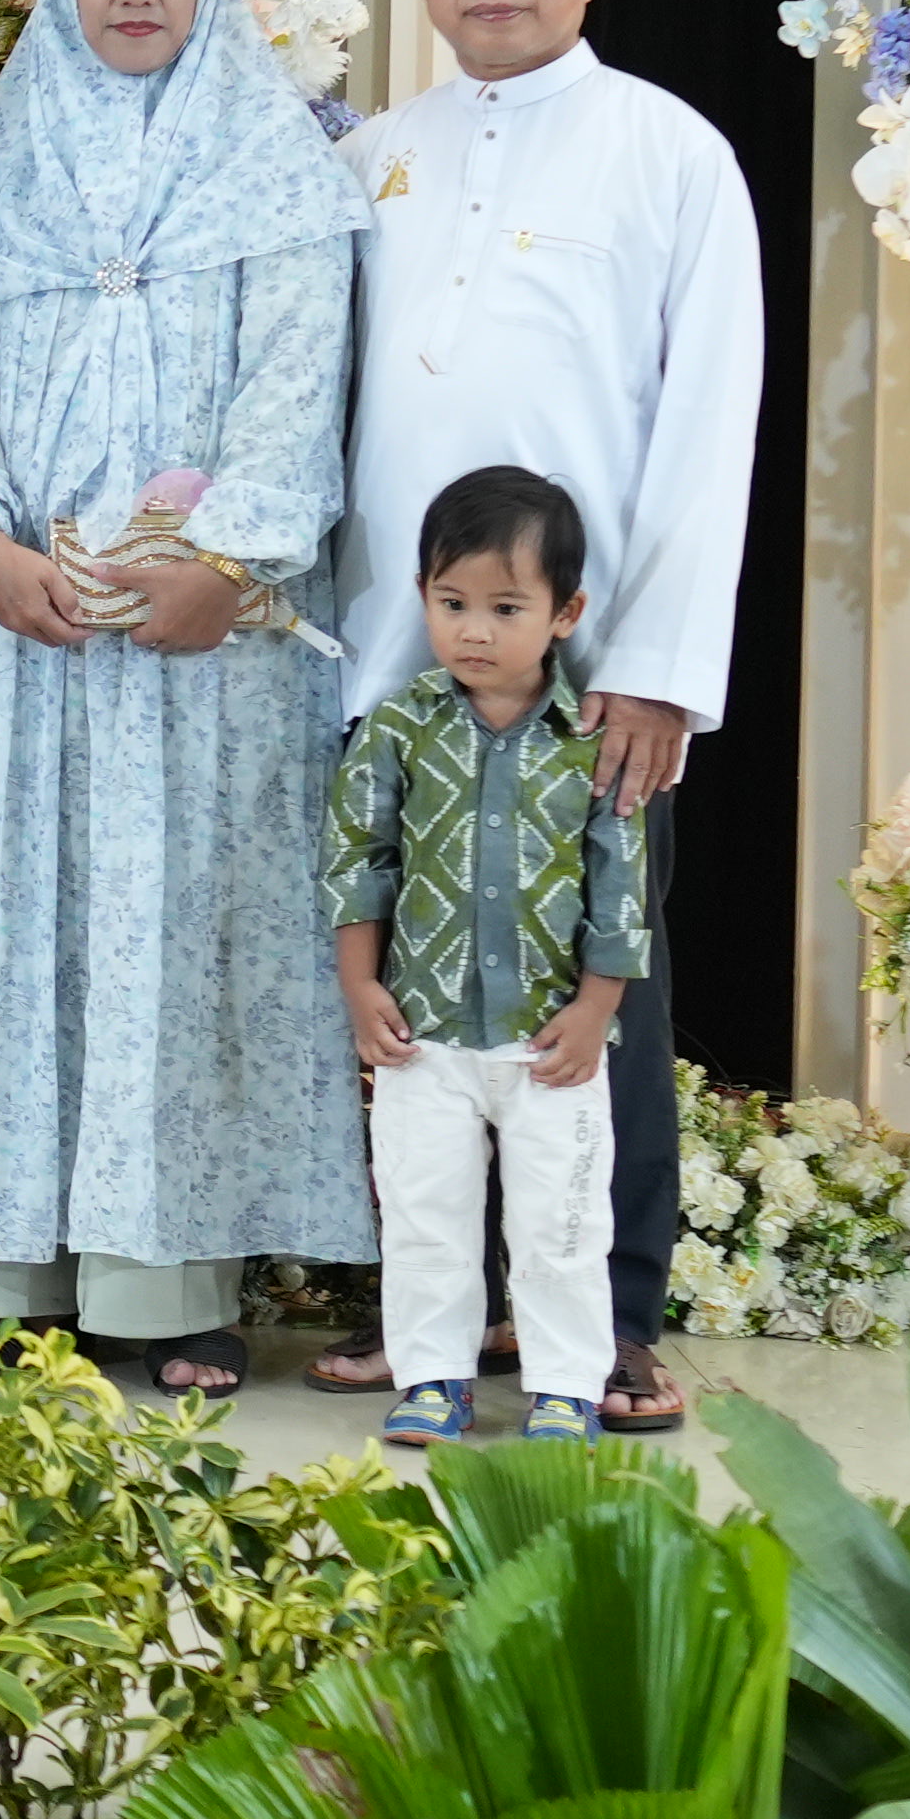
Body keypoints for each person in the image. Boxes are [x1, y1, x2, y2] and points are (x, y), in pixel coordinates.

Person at [0, 0, 376, 1395]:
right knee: (10, 934)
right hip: (22, 630)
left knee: (181, 939)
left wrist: (225, 561)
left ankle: (168, 1287)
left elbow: (301, 378)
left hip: (203, 642)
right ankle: (3, 1278)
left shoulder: (275, 164)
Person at [322, 0, 761, 1431]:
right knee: (406, 998)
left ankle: (611, 1325)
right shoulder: (374, 157)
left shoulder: (669, 154)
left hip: (589, 678)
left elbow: (709, 425)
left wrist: (656, 669)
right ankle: (429, 1322)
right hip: (399, 662)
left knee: (595, 997)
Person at [328, 464, 651, 1448]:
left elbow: (621, 885)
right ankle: (434, 1377)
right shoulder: (399, 728)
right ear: (423, 597)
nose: (475, 630)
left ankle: (565, 1388)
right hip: (423, 1034)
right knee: (425, 1213)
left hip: (551, 1041)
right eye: (452, 602)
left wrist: (596, 1009)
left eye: (506, 608)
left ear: (565, 613)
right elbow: (357, 860)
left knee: (561, 1221)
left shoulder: (592, 741)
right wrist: (358, 986)